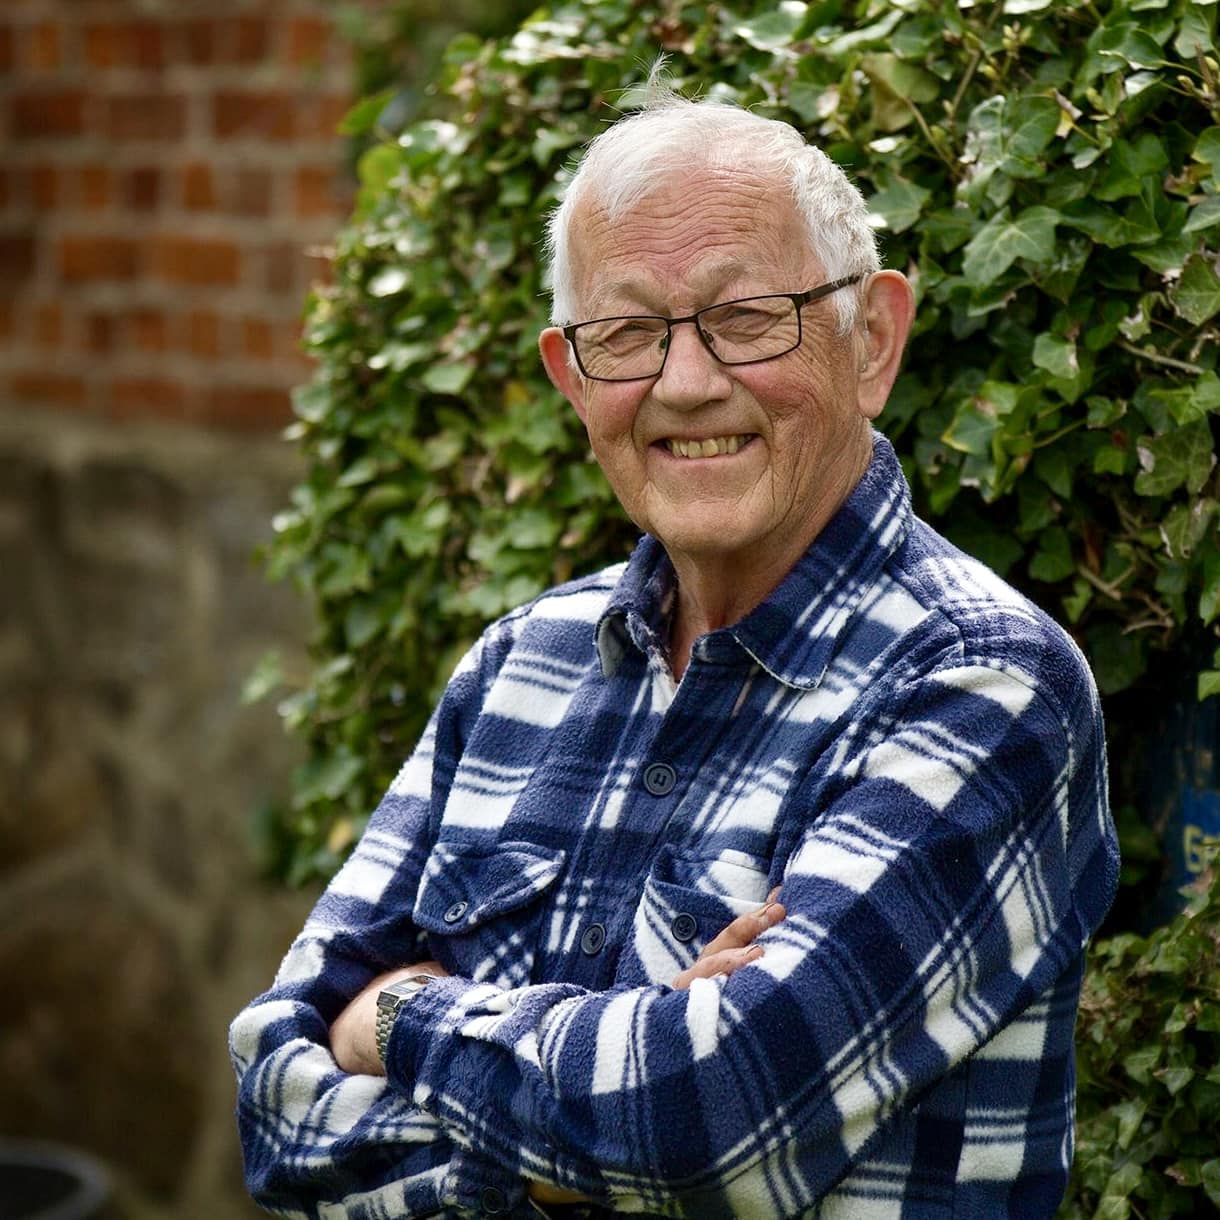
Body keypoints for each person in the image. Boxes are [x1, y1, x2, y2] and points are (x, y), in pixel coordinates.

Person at [230, 87, 1118, 1220]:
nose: (686, 383)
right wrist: (602, 1126)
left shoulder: (981, 686)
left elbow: (704, 1118)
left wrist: (395, 1016)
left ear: (872, 341)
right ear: (571, 378)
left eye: (745, 317)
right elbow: (274, 1102)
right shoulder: (519, 663)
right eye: (626, 333)